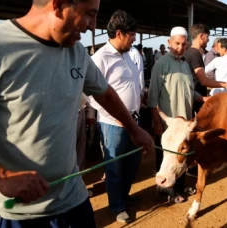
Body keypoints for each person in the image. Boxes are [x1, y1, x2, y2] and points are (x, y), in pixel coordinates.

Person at [0, 0, 153, 227]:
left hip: (73, 202)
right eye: (89, 14)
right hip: (17, 212)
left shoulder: (76, 52)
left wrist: (134, 129)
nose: (93, 26)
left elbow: (105, 94)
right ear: (59, 4)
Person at [89, 9, 145, 224]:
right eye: (132, 35)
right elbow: (91, 96)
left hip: (134, 121)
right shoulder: (100, 58)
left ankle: (125, 195)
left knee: (132, 163)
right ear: (120, 33)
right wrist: (114, 115)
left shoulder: (129, 55)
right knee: (114, 167)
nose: (134, 39)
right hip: (113, 124)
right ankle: (117, 206)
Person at [148, 26, 207, 204]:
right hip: (169, 124)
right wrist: (157, 122)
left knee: (181, 157)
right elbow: (152, 97)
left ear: (187, 44)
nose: (180, 47)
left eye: (183, 44)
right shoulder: (161, 65)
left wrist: (203, 98)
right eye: (176, 43)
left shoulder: (185, 65)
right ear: (169, 42)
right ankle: (166, 190)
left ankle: (179, 186)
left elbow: (189, 92)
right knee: (166, 157)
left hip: (185, 124)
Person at [184, 24, 227, 108]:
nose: (208, 40)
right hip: (197, 98)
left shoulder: (188, 52)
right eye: (207, 36)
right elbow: (203, 80)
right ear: (201, 36)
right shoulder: (195, 54)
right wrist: (226, 84)